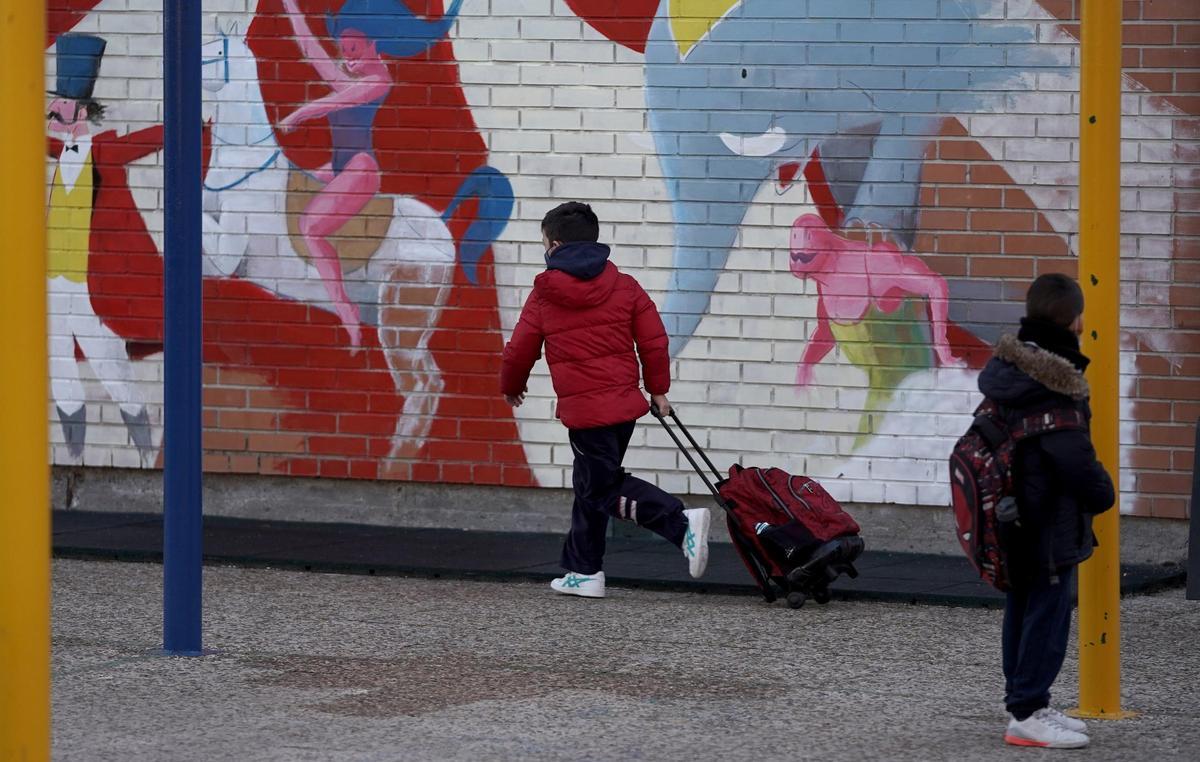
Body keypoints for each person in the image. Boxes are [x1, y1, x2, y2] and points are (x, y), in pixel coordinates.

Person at [500, 202, 711, 598]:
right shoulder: (625, 285)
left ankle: (679, 523)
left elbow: (519, 350)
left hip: (585, 414)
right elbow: (654, 340)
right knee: (589, 483)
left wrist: (512, 385)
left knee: (600, 489)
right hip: (624, 408)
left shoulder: (545, 294)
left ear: (555, 244)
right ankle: (584, 571)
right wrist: (658, 390)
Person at [977, 273, 1116, 749]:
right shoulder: (1055, 382)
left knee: (1022, 606)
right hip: (1047, 517)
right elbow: (1073, 456)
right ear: (1076, 320)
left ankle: (1026, 702)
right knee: (1048, 615)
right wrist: (1104, 494)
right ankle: (1026, 715)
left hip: (1014, 513)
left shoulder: (1011, 370)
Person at [276, 0, 463, 348]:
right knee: (283, 183)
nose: (347, 57)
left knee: (311, 227)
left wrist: (297, 115)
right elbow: (310, 48)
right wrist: (291, 8)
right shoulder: (350, 80)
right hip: (335, 167)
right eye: (344, 51)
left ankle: (345, 309)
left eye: (354, 50)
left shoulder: (378, 81)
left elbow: (335, 103)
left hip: (360, 170)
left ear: (373, 46)